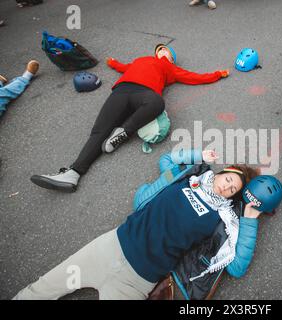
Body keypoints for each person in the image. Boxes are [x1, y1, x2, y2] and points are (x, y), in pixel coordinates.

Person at [14, 149, 262, 300]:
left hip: (136, 281)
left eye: (232, 190)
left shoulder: (222, 218)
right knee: (39, 291)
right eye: (229, 179)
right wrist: (198, 155)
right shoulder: (189, 176)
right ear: (221, 171)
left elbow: (237, 267)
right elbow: (166, 160)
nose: (227, 187)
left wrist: (249, 221)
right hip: (108, 247)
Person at [30, 44, 230, 192]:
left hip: (145, 95)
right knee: (99, 131)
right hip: (121, 91)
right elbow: (123, 67)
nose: (162, 50)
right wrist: (112, 62)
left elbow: (195, 77)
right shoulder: (140, 60)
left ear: (170, 58)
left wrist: (217, 74)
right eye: (160, 49)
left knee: (158, 103)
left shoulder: (171, 69)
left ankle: (123, 133)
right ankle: (73, 173)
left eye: (167, 51)